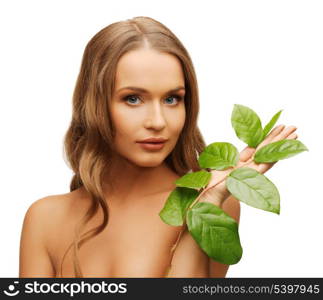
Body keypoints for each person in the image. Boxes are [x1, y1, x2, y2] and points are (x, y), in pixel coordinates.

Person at [19, 16, 298, 278]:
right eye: (132, 99)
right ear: (95, 104)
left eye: (171, 99)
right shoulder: (44, 219)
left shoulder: (217, 203)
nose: (157, 121)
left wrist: (207, 204)